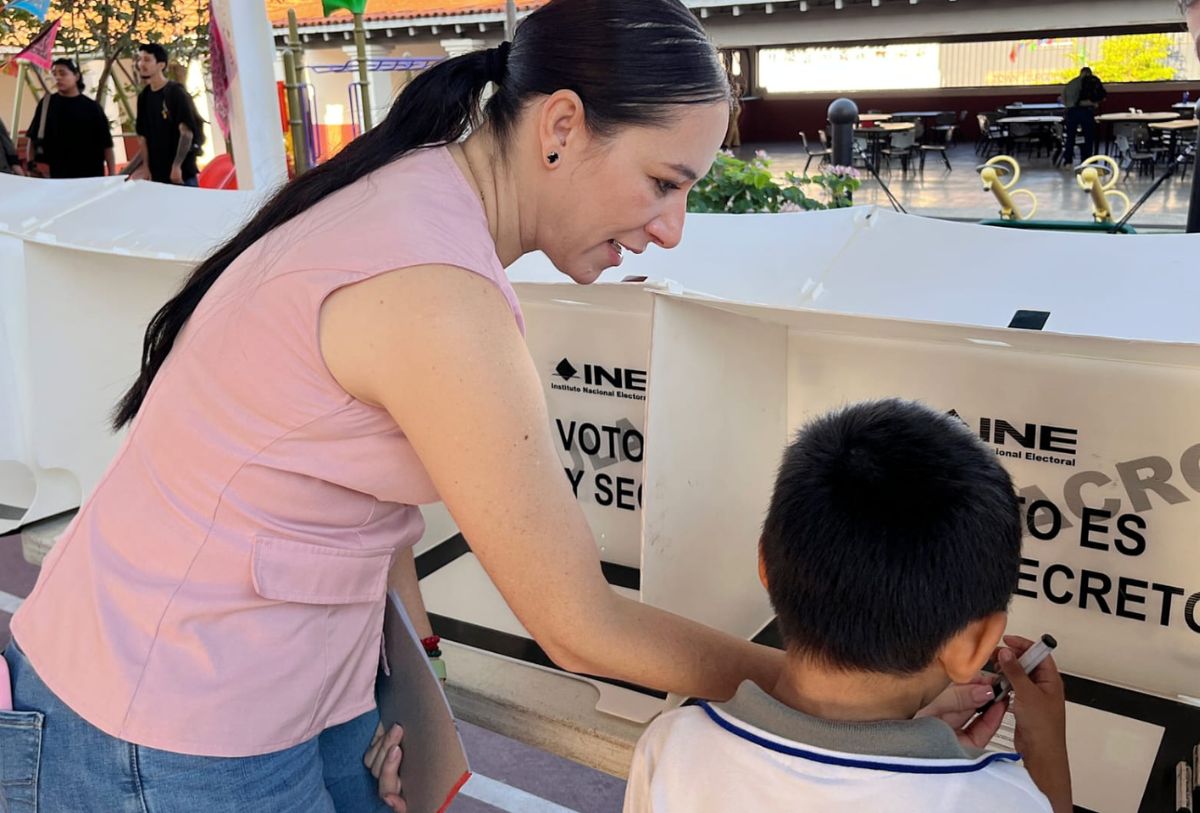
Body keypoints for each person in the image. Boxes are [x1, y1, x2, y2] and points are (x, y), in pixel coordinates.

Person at [0, 2, 986, 810]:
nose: (673, 229)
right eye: (662, 181)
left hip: (262, 681)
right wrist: (844, 695)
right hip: (165, 722)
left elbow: (355, 492)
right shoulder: (434, 288)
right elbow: (579, 624)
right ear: (560, 128)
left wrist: (409, 679)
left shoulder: (417, 196)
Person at [624, 399, 1073, 813]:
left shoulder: (671, 745)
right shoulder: (1003, 803)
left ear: (766, 564)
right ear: (975, 647)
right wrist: (1047, 756)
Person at [126, 42, 203, 185]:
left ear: (161, 65)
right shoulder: (144, 97)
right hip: (157, 176)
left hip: (181, 175)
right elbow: (143, 138)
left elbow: (186, 133)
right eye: (140, 59)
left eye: (147, 60)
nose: (141, 64)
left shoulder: (175, 92)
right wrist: (146, 168)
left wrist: (177, 166)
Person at [25, 58, 116, 178]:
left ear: (76, 76)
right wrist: (31, 166)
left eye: (62, 73)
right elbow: (33, 138)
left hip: (89, 176)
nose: (58, 77)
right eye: (54, 74)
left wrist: (112, 175)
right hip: (53, 176)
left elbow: (106, 145)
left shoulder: (92, 108)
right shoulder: (47, 104)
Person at [1060, 66, 1107, 165]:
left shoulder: (1071, 83)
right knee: (1088, 136)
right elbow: (1100, 96)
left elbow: (1063, 99)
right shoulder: (1092, 81)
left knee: (1070, 137)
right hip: (1086, 112)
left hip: (1071, 112)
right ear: (1088, 73)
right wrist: (1094, 103)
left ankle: (1068, 159)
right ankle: (1087, 158)